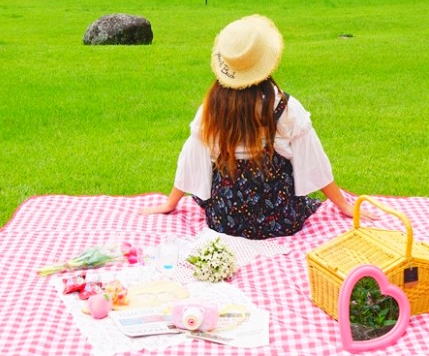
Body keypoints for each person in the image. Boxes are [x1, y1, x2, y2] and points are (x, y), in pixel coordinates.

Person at [140, 14, 358, 239]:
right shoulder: (285, 107)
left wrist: (170, 203)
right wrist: (343, 206)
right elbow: (313, 161)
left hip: (225, 218)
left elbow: (192, 158)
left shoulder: (211, 108)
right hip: (279, 218)